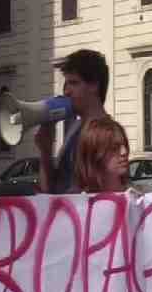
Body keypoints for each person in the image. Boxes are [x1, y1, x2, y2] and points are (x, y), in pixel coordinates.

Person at [36, 49, 110, 194]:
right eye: (66, 84)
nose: (67, 91)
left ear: (94, 85)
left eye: (73, 83)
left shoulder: (106, 134)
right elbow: (49, 190)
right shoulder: (75, 128)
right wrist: (45, 151)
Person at [74, 117, 131, 193]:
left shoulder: (139, 200)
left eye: (125, 144)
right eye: (114, 147)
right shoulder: (79, 202)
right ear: (94, 153)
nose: (124, 152)